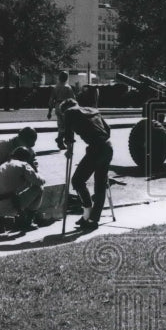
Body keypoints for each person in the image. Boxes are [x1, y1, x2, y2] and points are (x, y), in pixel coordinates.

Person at [59, 97, 113, 231]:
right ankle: (92, 219)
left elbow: (69, 137)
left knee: (77, 180)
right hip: (107, 147)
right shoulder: (93, 110)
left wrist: (69, 151)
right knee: (100, 184)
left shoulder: (68, 112)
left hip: (96, 149)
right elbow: (108, 130)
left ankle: (87, 211)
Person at [0, 146, 45, 231]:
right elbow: (40, 181)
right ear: (26, 158)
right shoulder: (23, 165)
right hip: (6, 208)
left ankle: (21, 217)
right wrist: (35, 168)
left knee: (15, 193)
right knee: (39, 188)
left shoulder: (4, 164)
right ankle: (28, 222)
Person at [46, 72, 75, 148]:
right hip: (65, 106)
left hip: (57, 106)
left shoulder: (56, 87)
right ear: (66, 78)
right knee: (67, 125)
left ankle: (60, 142)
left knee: (60, 124)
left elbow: (51, 100)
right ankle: (60, 139)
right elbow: (73, 100)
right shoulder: (68, 87)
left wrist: (49, 112)